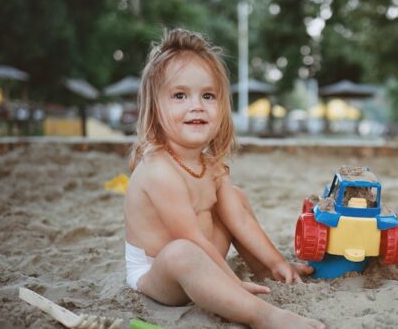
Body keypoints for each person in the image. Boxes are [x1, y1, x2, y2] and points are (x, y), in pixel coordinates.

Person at [124, 28, 324, 329]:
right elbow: (189, 238)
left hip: (203, 257)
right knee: (181, 252)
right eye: (180, 95)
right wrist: (231, 283)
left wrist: (275, 262)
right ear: (155, 109)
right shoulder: (158, 170)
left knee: (236, 198)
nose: (197, 105)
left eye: (208, 95)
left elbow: (240, 221)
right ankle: (263, 316)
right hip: (159, 272)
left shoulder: (211, 165)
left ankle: (262, 272)